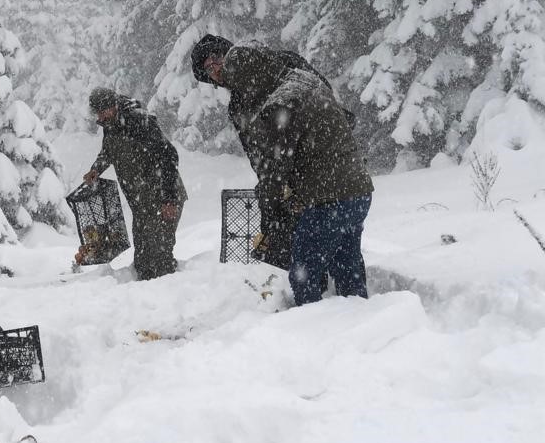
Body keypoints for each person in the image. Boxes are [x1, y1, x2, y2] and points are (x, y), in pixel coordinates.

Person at [192, 35, 373, 305]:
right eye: (210, 69)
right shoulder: (287, 80)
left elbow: (274, 161)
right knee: (344, 259)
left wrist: (271, 203)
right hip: (350, 185)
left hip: (324, 191)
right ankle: (357, 316)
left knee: (305, 267)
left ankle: (312, 319)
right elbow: (262, 154)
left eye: (218, 62)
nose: (217, 72)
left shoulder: (278, 99)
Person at [82, 87, 187, 280]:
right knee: (143, 259)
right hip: (142, 204)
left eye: (102, 110)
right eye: (97, 112)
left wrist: (169, 199)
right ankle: (143, 302)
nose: (100, 116)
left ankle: (169, 298)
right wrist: (96, 169)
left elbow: (168, 156)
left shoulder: (139, 120)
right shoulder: (110, 125)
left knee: (160, 256)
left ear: (112, 106)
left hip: (163, 197)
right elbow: (108, 152)